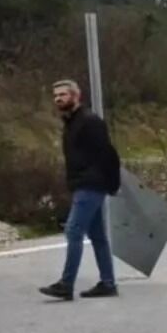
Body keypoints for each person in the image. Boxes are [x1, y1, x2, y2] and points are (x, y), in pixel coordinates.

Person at [39, 78, 121, 301]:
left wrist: (112, 183)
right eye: (56, 96)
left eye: (63, 95)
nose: (58, 99)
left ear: (76, 96)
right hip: (82, 184)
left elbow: (108, 154)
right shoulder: (71, 123)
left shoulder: (89, 121)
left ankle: (66, 284)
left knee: (74, 230)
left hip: (91, 184)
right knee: (97, 236)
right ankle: (108, 283)